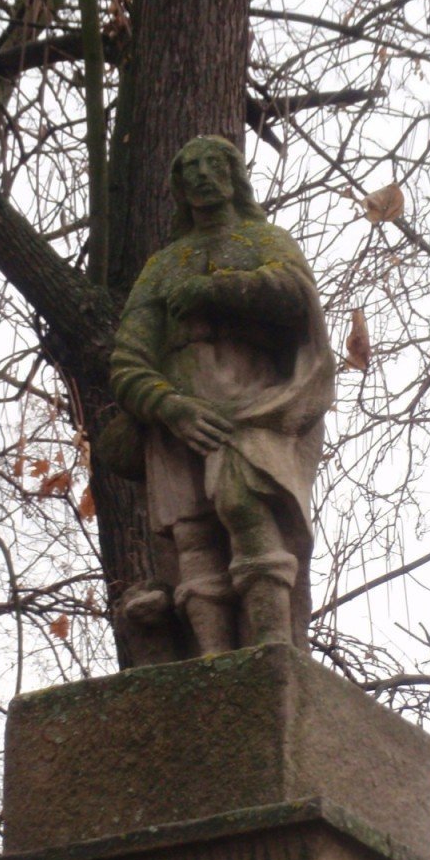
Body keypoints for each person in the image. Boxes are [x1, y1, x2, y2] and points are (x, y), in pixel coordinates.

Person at [110, 135, 335, 653]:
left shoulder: (264, 241)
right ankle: (211, 661)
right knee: (193, 533)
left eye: (214, 164)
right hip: (180, 417)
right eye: (188, 168)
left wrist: (219, 288)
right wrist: (169, 406)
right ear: (177, 188)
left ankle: (272, 650)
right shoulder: (162, 266)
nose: (201, 175)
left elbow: (295, 295)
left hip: (255, 405)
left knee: (246, 508)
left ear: (235, 175)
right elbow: (128, 359)